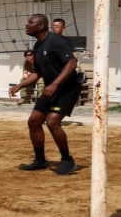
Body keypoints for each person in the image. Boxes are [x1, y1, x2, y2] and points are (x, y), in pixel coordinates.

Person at [8, 14, 81, 175]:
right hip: (51, 88)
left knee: (52, 121)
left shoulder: (56, 41)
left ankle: (68, 161)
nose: (26, 25)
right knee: (34, 122)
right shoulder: (37, 46)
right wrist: (19, 85)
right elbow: (38, 72)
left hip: (67, 88)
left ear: (40, 26)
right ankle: (40, 161)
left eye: (30, 23)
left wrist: (55, 84)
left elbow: (71, 63)